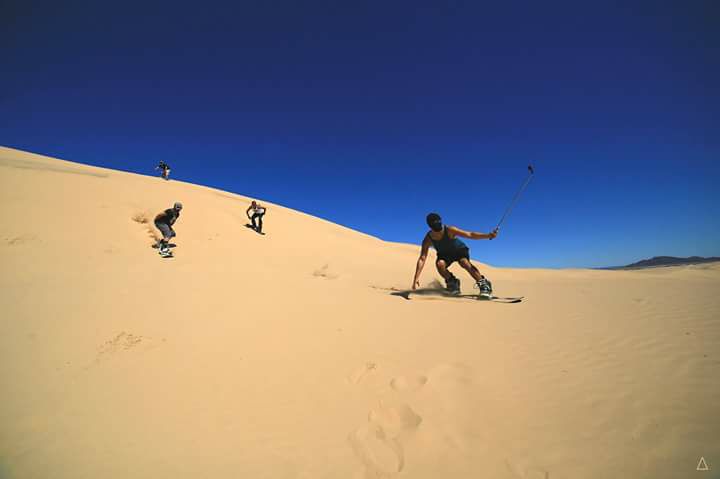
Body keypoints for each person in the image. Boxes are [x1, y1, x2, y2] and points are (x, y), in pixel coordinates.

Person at [412, 213, 497, 297]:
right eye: (435, 223)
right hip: (445, 254)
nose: (438, 226)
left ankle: (483, 284)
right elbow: (422, 258)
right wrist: (416, 278)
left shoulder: (449, 229)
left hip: (459, 250)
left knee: (464, 262)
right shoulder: (428, 239)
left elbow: (470, 234)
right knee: (440, 264)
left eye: (439, 222)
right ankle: (453, 283)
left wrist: (488, 235)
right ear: (430, 226)